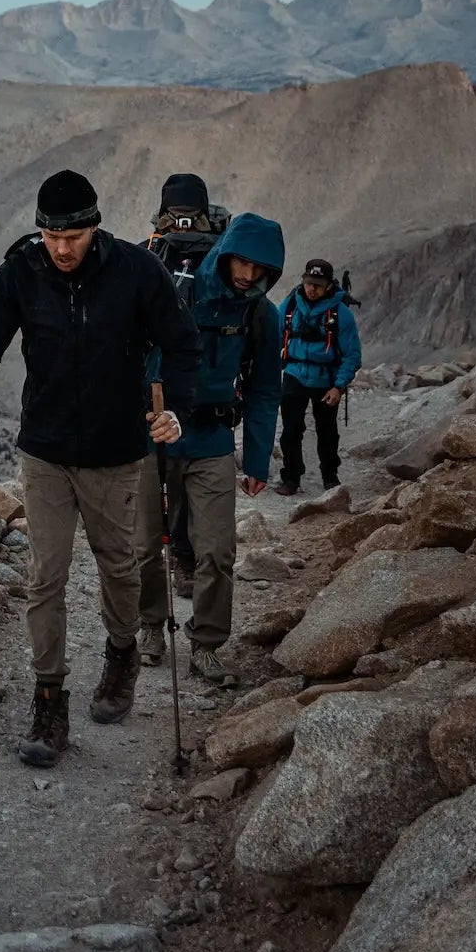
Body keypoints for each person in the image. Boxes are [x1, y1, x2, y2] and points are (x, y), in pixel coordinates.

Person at [0, 169, 200, 768]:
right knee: (46, 577)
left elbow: (183, 343)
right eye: (50, 237)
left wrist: (176, 413)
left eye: (73, 236)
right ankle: (49, 699)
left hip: (118, 452)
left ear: (95, 226)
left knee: (120, 566)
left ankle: (120, 656)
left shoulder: (137, 272)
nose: (61, 249)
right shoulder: (21, 272)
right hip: (46, 451)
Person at [132, 214, 284, 686]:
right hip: (154, 436)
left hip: (213, 439)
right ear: (227, 252)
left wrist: (256, 459)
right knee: (143, 547)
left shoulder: (261, 313)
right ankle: (151, 628)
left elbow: (263, 390)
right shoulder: (174, 292)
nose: (247, 275)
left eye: (259, 269)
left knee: (216, 551)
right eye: (242, 262)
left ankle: (208, 644)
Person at [143, 173, 231, 600]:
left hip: (194, 390)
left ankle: (183, 555)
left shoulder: (217, 259)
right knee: (168, 480)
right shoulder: (153, 253)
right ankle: (179, 557)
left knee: (183, 482)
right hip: (164, 389)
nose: (180, 224)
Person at [277, 257, 362, 495]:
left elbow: (352, 355)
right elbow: (274, 335)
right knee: (291, 429)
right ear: (303, 281)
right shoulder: (290, 306)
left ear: (328, 285)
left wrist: (339, 386)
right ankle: (291, 478)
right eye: (309, 282)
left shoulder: (341, 314)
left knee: (327, 431)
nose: (312, 288)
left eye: (318, 284)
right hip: (294, 374)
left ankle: (330, 477)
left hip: (326, 380)